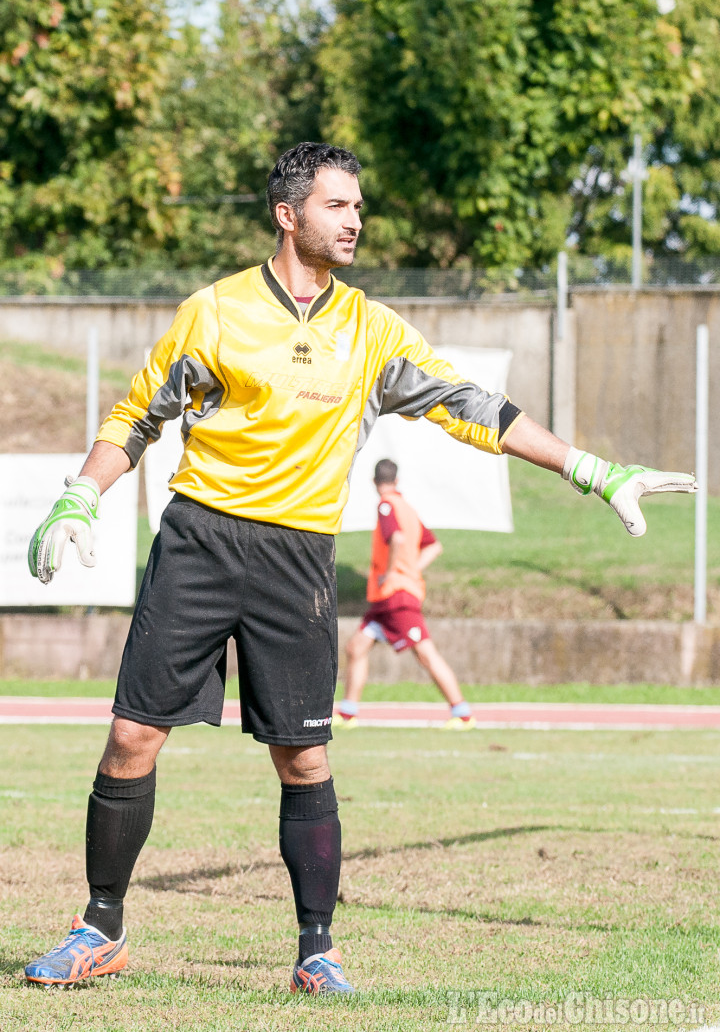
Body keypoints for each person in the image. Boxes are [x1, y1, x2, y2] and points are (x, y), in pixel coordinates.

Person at [24, 141, 697, 996]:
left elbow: (472, 409)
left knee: (304, 760)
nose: (356, 220)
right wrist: (83, 493)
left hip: (299, 560)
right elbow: (136, 413)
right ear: (288, 214)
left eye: (357, 206)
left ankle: (317, 952)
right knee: (131, 738)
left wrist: (593, 469)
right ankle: (100, 929)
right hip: (197, 543)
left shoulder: (372, 331)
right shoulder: (216, 312)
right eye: (338, 205)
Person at [338, 458, 476, 729]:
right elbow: (433, 547)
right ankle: (347, 714)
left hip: (396, 595)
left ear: (373, 481)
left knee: (426, 654)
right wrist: (410, 569)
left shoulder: (387, 505)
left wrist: (392, 573)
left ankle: (462, 713)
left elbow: (397, 540)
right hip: (386, 599)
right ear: (397, 480)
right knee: (356, 647)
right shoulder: (408, 509)